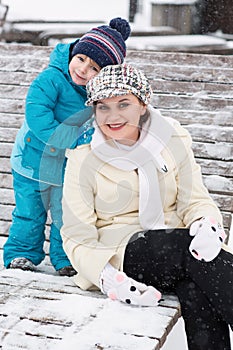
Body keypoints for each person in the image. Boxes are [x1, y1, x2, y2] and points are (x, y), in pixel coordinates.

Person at [61, 63, 233, 349]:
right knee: (192, 254)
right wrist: (106, 277)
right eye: (103, 107)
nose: (112, 116)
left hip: (179, 249)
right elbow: (76, 233)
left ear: (143, 104)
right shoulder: (83, 159)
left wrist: (206, 226)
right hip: (124, 253)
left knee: (198, 286)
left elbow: (195, 198)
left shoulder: (172, 139)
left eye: (123, 104)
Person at [3, 18, 131, 276]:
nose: (83, 69)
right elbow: (38, 117)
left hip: (66, 169)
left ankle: (66, 258)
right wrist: (73, 140)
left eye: (94, 68)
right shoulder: (51, 79)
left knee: (67, 216)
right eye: (81, 59)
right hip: (31, 162)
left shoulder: (99, 96)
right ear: (73, 52)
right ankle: (22, 253)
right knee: (30, 213)